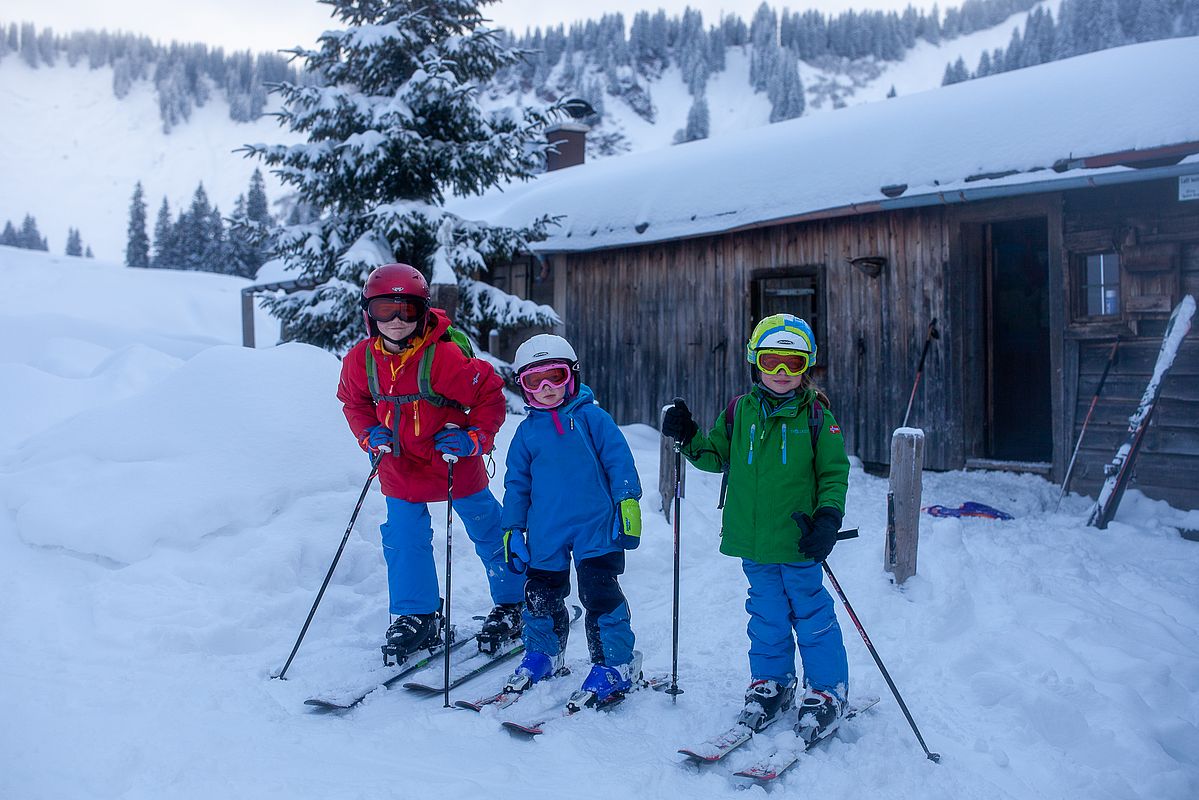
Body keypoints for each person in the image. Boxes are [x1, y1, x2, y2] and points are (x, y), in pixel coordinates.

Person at [661, 313, 851, 740]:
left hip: (799, 541)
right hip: (753, 542)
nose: (782, 373)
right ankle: (773, 682)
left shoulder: (817, 415)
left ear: (807, 367)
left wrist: (828, 518)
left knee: (812, 615)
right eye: (771, 361)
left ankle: (827, 690)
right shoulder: (739, 411)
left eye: (793, 363)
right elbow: (714, 456)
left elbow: (834, 474)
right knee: (765, 615)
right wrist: (688, 435)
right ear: (755, 363)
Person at [337, 263, 524, 658]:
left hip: (452, 459)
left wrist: (475, 438)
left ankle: (514, 602)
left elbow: (490, 396)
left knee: (488, 529)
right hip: (399, 464)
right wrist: (368, 433)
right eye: (386, 309)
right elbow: (353, 402)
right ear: (369, 312)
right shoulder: (360, 361)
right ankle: (418, 616)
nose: (397, 320)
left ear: (422, 311)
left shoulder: (443, 358)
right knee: (405, 539)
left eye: (407, 310)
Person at [499, 333, 645, 705]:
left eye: (556, 377)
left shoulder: (592, 418)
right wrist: (513, 528)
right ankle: (544, 654)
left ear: (573, 376)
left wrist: (627, 500)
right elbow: (516, 484)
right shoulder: (526, 432)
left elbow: (618, 459)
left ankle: (616, 663)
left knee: (599, 592)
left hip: (595, 526)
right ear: (523, 386)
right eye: (535, 381)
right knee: (539, 594)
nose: (547, 388)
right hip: (546, 531)